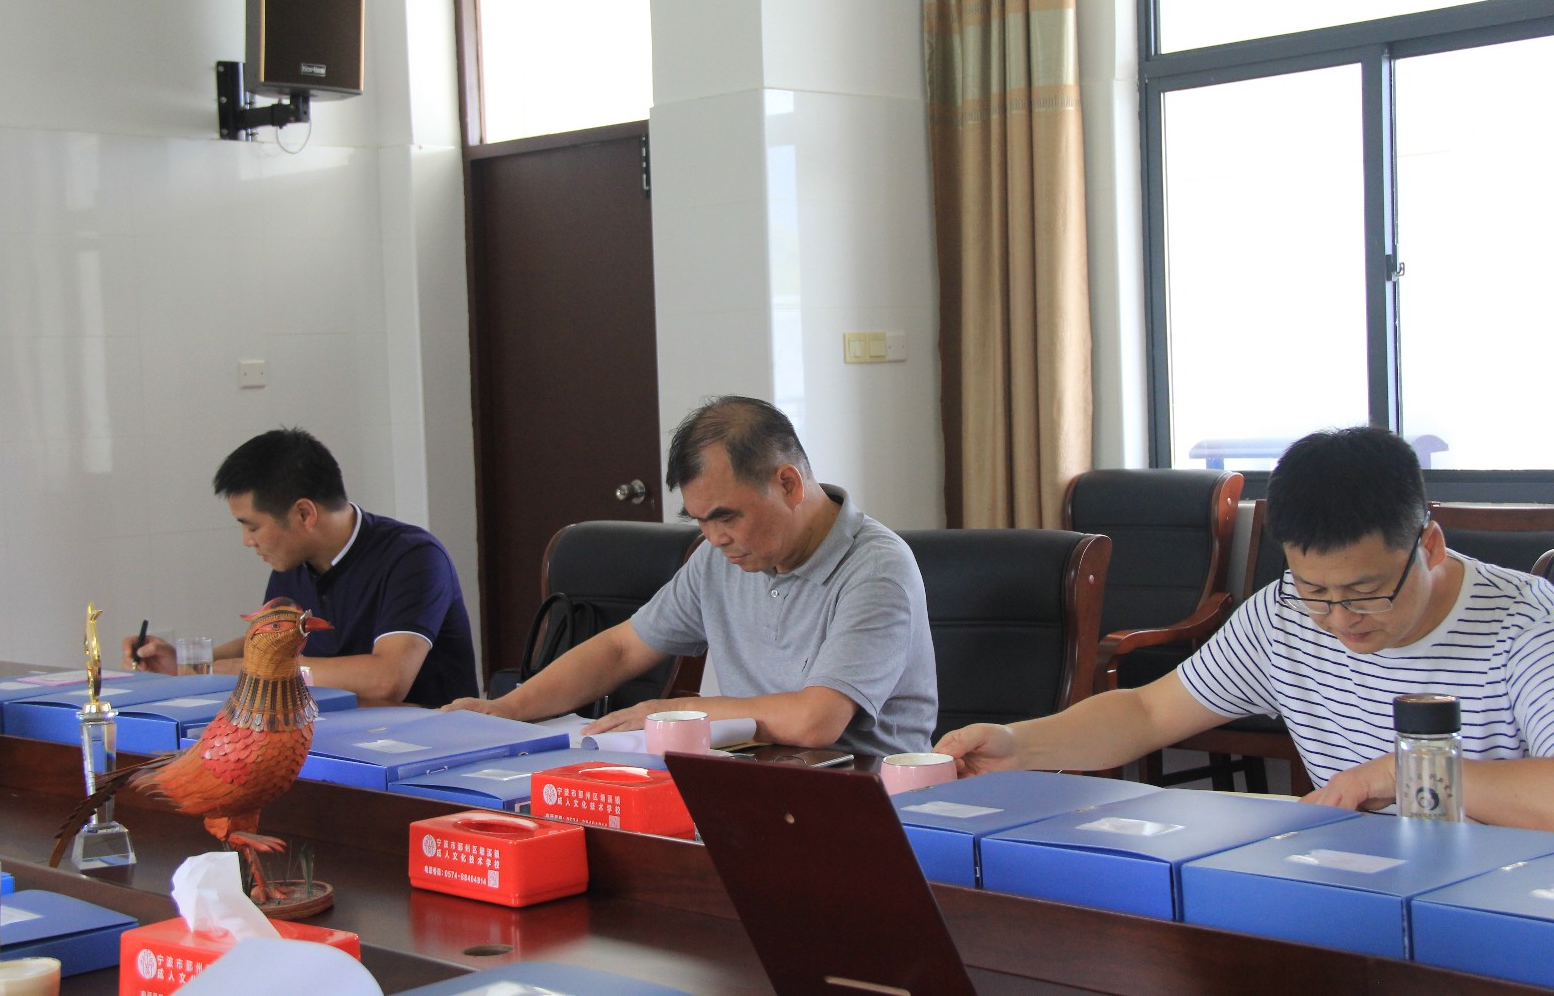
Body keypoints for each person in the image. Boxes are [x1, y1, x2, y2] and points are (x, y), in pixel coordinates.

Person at [938, 426, 1554, 831]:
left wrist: (1403, 772)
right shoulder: (1283, 615)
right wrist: (1020, 745)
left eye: (1367, 594)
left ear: (1431, 546)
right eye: (1316, 591)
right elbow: (1148, 714)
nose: (1340, 620)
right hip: (1361, 876)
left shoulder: (1527, 626)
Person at [445, 395, 937, 757]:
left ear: (788, 484)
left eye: (726, 517)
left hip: (861, 796)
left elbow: (816, 720)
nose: (715, 538)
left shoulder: (876, 569)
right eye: (700, 521)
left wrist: (673, 713)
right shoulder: (719, 557)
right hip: (747, 777)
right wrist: (507, 710)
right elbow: (623, 648)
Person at [123, 427, 479, 708]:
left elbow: (387, 680)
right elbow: (267, 644)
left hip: (427, 746)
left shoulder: (413, 557)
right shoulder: (292, 563)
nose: (247, 541)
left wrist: (254, 671)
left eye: (252, 527)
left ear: (304, 514)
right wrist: (189, 665)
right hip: (332, 735)